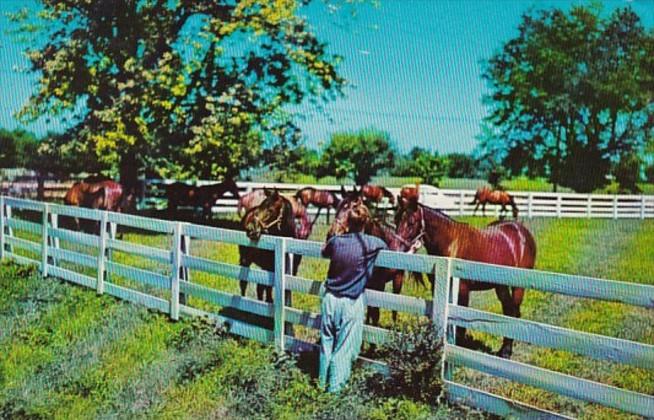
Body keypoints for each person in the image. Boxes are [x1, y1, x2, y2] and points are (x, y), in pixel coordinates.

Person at [319, 205, 387, 392]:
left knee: (326, 344)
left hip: (330, 299)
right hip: (350, 302)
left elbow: (324, 250)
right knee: (342, 349)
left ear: (348, 221)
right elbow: (388, 247)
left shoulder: (336, 242)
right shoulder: (372, 244)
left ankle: (321, 384)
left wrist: (339, 231)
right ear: (365, 222)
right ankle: (334, 393)